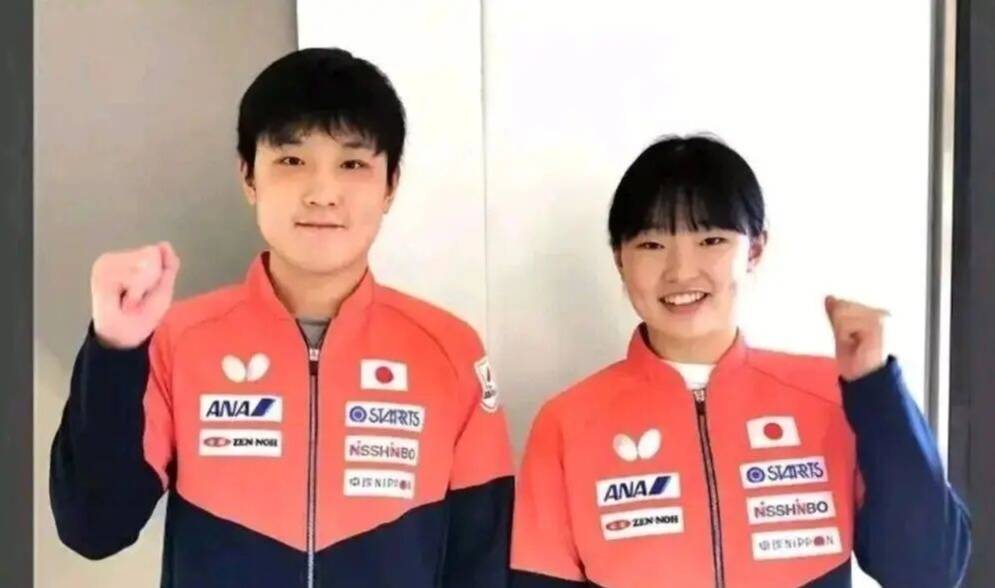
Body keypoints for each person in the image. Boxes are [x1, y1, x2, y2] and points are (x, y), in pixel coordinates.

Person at [50, 47, 514, 588]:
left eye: (353, 164)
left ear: (390, 185)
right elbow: (94, 528)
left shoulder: (450, 352)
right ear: (249, 176)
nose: (322, 193)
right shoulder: (179, 342)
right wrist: (114, 351)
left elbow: (482, 566)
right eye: (292, 161)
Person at [510, 135, 971, 587]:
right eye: (652, 245)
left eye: (711, 240)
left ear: (754, 250)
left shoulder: (833, 397)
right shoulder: (566, 425)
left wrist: (876, 388)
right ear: (619, 261)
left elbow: (928, 572)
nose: (681, 271)